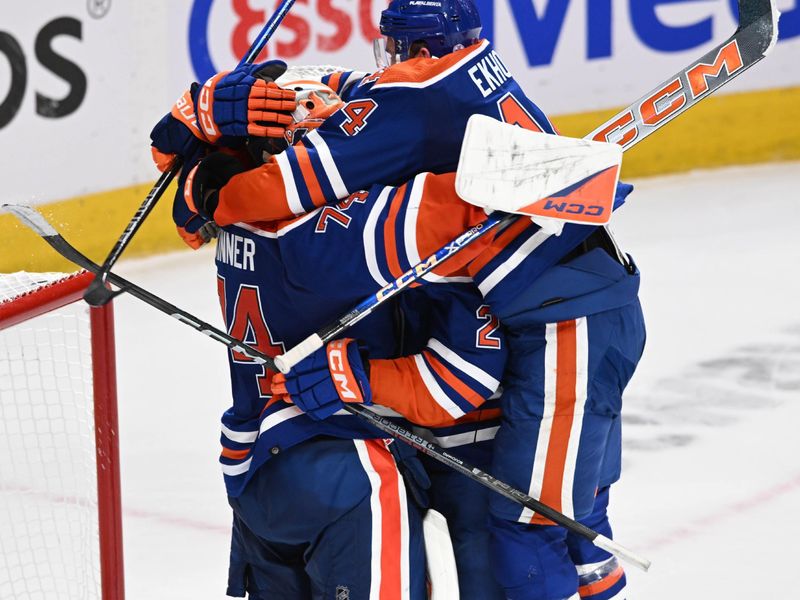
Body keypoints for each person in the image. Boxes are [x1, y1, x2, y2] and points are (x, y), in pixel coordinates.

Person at [158, 0, 645, 596]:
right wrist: (558, 175)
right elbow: (426, 194)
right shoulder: (336, 226)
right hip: (566, 309)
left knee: (536, 521)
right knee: (558, 518)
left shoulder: (279, 225)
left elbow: (203, 204)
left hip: (260, 451)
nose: (339, 125)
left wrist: (198, 118)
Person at [151, 78, 510, 598]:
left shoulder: (229, 209)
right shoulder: (328, 235)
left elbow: (188, 182)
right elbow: (452, 210)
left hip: (254, 472)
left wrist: (199, 120)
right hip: (347, 473)